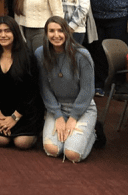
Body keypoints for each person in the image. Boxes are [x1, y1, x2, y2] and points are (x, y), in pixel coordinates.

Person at [36, 16, 97, 162]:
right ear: (46, 33)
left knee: (72, 154)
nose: (56, 35)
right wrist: (58, 116)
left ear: (67, 32)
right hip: (56, 107)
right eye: (51, 31)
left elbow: (87, 90)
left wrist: (73, 118)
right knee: (52, 149)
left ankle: (92, 133)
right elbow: (44, 88)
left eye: (60, 30)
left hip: (82, 108)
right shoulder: (40, 53)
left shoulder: (82, 55)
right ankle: (73, 136)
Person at [0, 16, 43, 149]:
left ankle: (37, 130)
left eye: (7, 31)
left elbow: (31, 91)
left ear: (15, 33)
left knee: (21, 143)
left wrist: (14, 117)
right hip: (1, 109)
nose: (3, 35)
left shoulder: (27, 55)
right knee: (2, 141)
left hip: (24, 110)